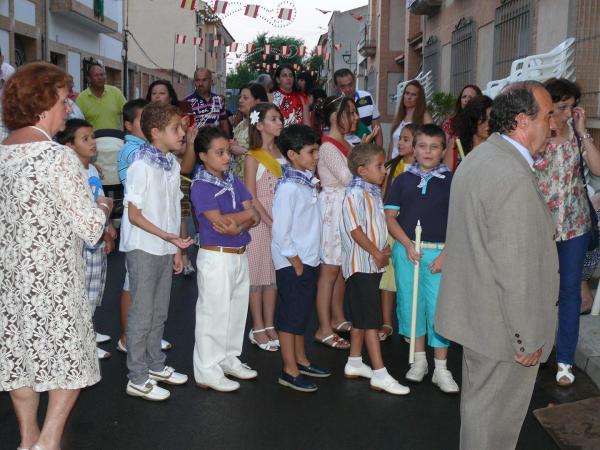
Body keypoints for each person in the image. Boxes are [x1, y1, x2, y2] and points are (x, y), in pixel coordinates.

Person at [435, 81, 559, 449]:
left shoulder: (481, 157)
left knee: (481, 418)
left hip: (481, 320)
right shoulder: (510, 176)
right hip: (504, 332)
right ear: (523, 121)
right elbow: (514, 268)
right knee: (493, 430)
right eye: (548, 115)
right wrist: (525, 338)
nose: (552, 125)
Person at [1, 62, 111, 450]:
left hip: (11, 280)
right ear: (44, 102)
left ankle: (27, 438)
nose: (70, 109)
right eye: (65, 100)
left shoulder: (2, 154)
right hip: (53, 278)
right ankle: (48, 441)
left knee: (20, 361)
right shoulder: (57, 157)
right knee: (71, 359)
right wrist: (104, 206)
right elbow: (90, 229)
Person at [120, 102, 192, 401]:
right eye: (176, 129)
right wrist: (166, 236)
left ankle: (154, 365)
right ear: (155, 132)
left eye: (183, 129)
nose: (183, 134)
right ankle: (137, 376)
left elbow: (174, 207)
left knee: (160, 310)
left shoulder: (171, 164)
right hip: (143, 246)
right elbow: (134, 214)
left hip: (164, 247)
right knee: (142, 312)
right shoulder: (141, 165)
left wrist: (176, 248)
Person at [533, 78, 600, 386]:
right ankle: (537, 349)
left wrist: (583, 129)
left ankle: (565, 361)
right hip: (540, 227)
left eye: (571, 107)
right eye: (562, 107)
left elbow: (597, 170)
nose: (567, 112)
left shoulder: (576, 134)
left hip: (574, 226)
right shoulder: (536, 134)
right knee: (540, 291)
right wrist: (546, 134)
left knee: (570, 292)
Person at [384, 124, 459, 393]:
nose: (428, 151)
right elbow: (391, 218)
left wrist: (447, 255)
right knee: (410, 304)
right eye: (422, 146)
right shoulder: (402, 180)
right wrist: (405, 244)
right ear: (413, 149)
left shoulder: (452, 181)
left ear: (443, 151)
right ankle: (419, 361)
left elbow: (460, 222)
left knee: (438, 308)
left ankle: (441, 368)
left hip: (440, 253)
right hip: (408, 252)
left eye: (434, 146)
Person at [190, 127, 261, 392]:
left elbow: (253, 214)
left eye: (227, 152)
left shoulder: (232, 180)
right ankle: (207, 368)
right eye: (219, 153)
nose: (226, 158)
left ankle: (229, 357)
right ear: (203, 156)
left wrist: (239, 224)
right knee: (214, 313)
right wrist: (242, 218)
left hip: (239, 253)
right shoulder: (201, 186)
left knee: (235, 311)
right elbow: (218, 222)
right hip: (216, 257)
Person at [340, 143, 410, 395]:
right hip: (361, 266)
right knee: (371, 321)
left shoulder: (372, 192)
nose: (384, 171)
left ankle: (354, 361)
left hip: (372, 263)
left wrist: (383, 250)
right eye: (379, 166)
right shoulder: (353, 194)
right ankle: (380, 373)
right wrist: (376, 252)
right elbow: (355, 230)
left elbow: (376, 225)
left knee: (361, 316)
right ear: (362, 170)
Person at [272, 124, 331, 392]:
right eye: (312, 151)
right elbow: (281, 230)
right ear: (293, 155)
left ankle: (301, 359)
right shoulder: (289, 188)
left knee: (300, 315)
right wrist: (294, 260)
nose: (316, 156)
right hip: (294, 262)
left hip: (308, 258)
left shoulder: (304, 181)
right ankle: (289, 369)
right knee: (290, 316)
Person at [55, 119, 117, 361]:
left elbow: (100, 198)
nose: (93, 142)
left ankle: (87, 331)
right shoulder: (71, 174)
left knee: (93, 291)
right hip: (81, 243)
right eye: (85, 139)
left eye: (92, 137)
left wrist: (108, 227)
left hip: (97, 240)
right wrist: (100, 229)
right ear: (69, 146)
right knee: (80, 293)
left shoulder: (91, 170)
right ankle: (81, 343)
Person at [313, 96, 357, 350]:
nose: (355, 118)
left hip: (344, 207)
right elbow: (348, 176)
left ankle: (337, 318)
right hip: (333, 209)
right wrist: (363, 155)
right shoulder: (328, 146)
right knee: (329, 270)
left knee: (340, 268)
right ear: (334, 117)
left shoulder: (347, 143)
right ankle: (323, 327)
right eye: (349, 113)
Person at [244, 103, 285, 351]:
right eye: (273, 118)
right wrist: (271, 222)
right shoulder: (252, 157)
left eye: (280, 118)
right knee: (257, 277)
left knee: (273, 278)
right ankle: (257, 325)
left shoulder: (283, 152)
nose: (280, 122)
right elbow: (251, 196)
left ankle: (270, 324)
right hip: (260, 222)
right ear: (260, 125)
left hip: (281, 220)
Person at [378, 123, 420, 342]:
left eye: (406, 139)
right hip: (392, 229)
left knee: (409, 280)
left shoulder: (423, 169)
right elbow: (384, 200)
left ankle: (410, 323)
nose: (400, 143)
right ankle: (386, 323)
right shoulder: (392, 167)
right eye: (399, 138)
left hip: (413, 231)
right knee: (388, 279)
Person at [334, 68, 383, 147]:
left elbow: (376, 127)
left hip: (367, 151)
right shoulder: (334, 106)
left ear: (355, 81)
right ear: (336, 87)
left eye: (350, 84)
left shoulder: (367, 97)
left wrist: (380, 151)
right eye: (343, 86)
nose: (348, 89)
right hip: (344, 153)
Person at [231, 82, 269, 178]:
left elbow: (267, 154)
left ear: (258, 101)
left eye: (245, 98)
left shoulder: (263, 125)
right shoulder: (241, 124)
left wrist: (242, 151)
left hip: (256, 177)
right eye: (240, 97)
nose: (240, 100)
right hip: (239, 175)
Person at [388, 80, 433, 160]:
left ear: (419, 98)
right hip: (394, 165)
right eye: (407, 93)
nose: (409, 97)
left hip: (413, 165)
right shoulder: (399, 116)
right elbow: (392, 144)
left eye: (413, 94)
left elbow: (430, 142)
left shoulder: (424, 116)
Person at [76, 62, 126, 130]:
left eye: (102, 75)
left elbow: (127, 113)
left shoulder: (115, 92)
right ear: (89, 79)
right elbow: (77, 123)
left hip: (115, 138)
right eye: (96, 75)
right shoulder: (81, 98)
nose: (100, 78)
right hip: (93, 139)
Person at [442, 84, 482, 169]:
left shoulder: (483, 123)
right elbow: (442, 148)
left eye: (470, 97)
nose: (466, 100)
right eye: (464, 97)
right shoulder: (450, 123)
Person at [185, 68, 231, 136]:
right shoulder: (187, 102)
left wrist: (227, 142)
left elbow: (224, 123)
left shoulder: (218, 100)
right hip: (197, 145)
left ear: (211, 82)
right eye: (197, 80)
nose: (200, 83)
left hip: (216, 144)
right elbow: (186, 128)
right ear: (194, 82)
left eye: (204, 80)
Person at [272, 64, 310, 128]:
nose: (288, 78)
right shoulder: (271, 97)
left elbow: (307, 124)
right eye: (284, 76)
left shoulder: (302, 98)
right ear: (278, 79)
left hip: (298, 136)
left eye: (291, 75)